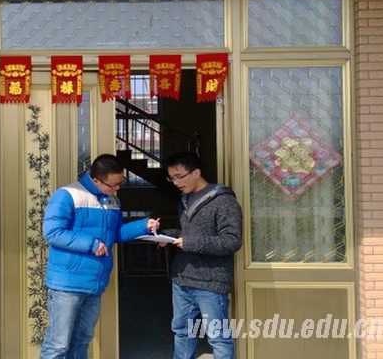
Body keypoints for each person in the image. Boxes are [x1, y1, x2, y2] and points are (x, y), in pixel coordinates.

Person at [40, 153, 161, 359]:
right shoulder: (67, 195)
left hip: (95, 283)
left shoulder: (112, 200)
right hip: (67, 284)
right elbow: (53, 232)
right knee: (58, 344)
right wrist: (91, 244)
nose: (117, 188)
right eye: (112, 185)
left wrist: (143, 226)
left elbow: (115, 234)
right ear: (95, 180)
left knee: (83, 339)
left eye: (120, 183)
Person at [161, 152, 242, 359]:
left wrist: (190, 243)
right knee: (182, 333)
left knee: (218, 338)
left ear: (196, 172)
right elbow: (188, 234)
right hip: (182, 279)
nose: (176, 182)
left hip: (211, 283)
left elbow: (232, 241)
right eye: (172, 178)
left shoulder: (224, 201)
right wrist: (167, 236)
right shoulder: (185, 199)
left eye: (180, 176)